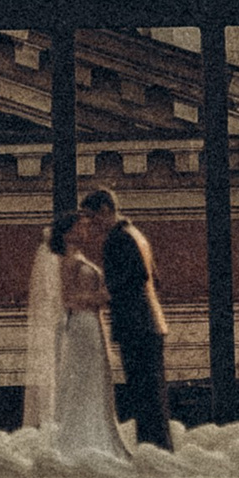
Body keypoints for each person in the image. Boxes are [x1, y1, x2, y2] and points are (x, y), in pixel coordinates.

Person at [20, 211, 128, 460]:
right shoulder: (67, 261)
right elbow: (67, 299)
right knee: (85, 377)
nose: (85, 231)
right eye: (80, 227)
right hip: (83, 323)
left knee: (94, 377)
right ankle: (83, 438)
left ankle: (96, 432)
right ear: (68, 233)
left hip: (91, 322)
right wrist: (103, 297)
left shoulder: (76, 258)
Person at [78, 184, 171, 449]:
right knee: (153, 395)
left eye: (91, 216)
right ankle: (158, 448)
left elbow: (128, 280)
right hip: (150, 320)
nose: (90, 224)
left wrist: (97, 296)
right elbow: (154, 277)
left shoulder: (116, 239)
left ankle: (152, 450)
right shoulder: (136, 234)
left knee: (144, 395)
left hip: (136, 324)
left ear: (105, 210)